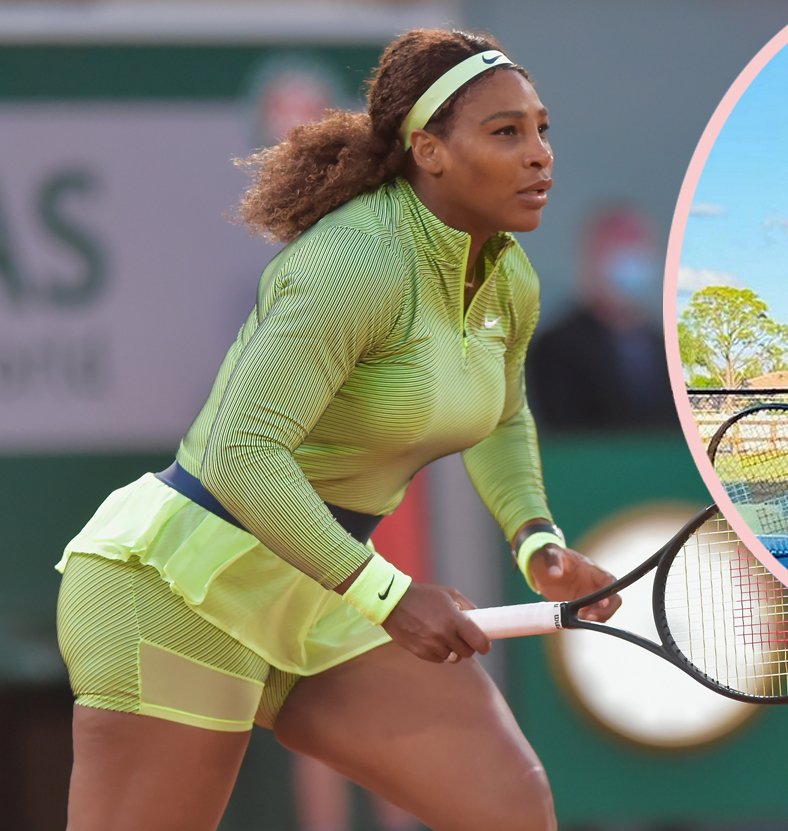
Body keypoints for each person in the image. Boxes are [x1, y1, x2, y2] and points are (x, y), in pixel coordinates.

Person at [55, 29, 620, 831]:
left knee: (509, 807)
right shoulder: (355, 260)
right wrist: (387, 594)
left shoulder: (505, 274)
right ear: (428, 149)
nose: (539, 155)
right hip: (180, 588)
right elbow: (242, 453)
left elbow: (502, 411)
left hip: (321, 592)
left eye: (541, 129)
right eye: (505, 132)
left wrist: (538, 541)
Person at [526, 205, 678, 431]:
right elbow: (569, 433)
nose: (630, 263)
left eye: (636, 247)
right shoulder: (557, 347)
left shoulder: (661, 344)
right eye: (619, 249)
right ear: (591, 260)